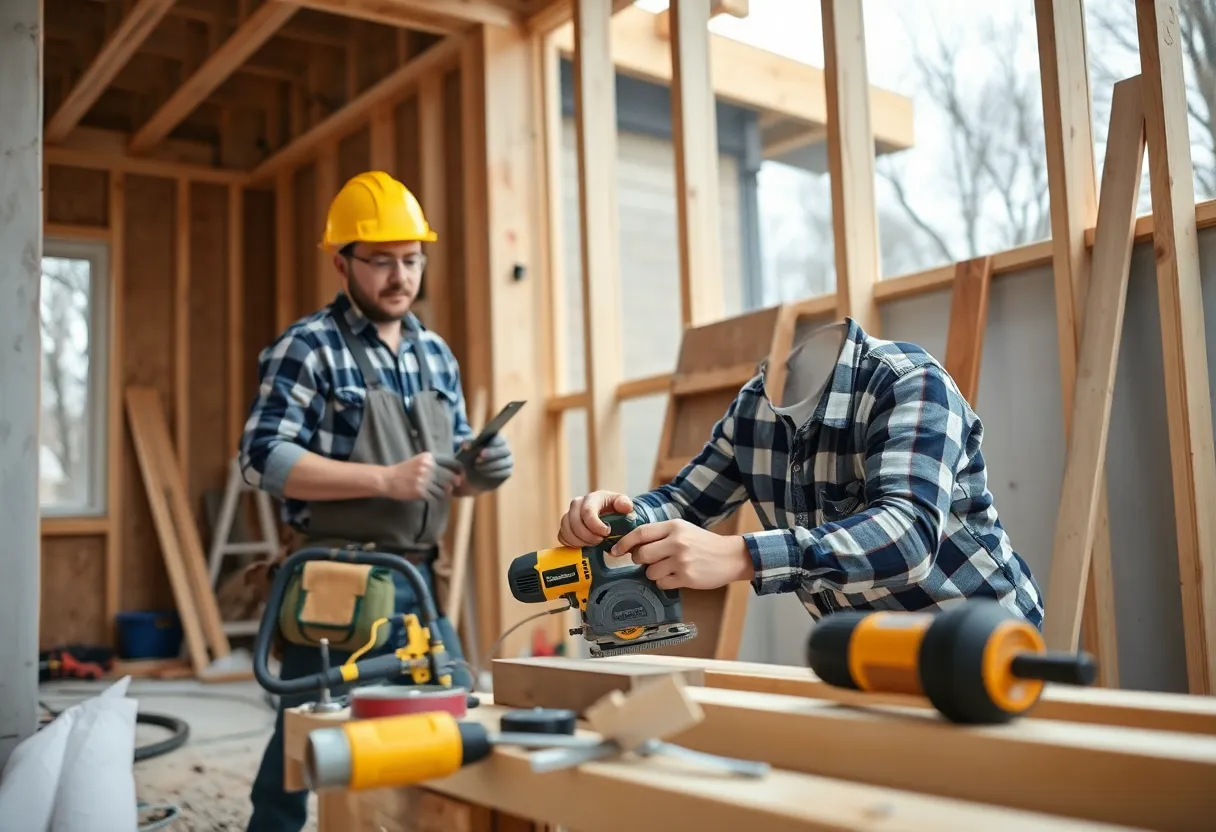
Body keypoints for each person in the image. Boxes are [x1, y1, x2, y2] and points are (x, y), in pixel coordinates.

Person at [238, 170, 513, 832]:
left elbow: (447, 468)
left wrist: (479, 472)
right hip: (336, 578)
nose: (400, 276)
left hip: (418, 577)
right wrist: (382, 480)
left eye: (412, 260)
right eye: (382, 261)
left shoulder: (434, 353)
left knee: (449, 716)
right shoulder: (309, 348)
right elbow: (262, 458)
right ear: (342, 262)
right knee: (307, 739)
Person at [557, 318, 1045, 627]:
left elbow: (908, 538)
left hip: (982, 638)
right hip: (868, 652)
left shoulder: (907, 382)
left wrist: (739, 555)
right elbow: (685, 502)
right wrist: (619, 515)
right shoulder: (755, 408)